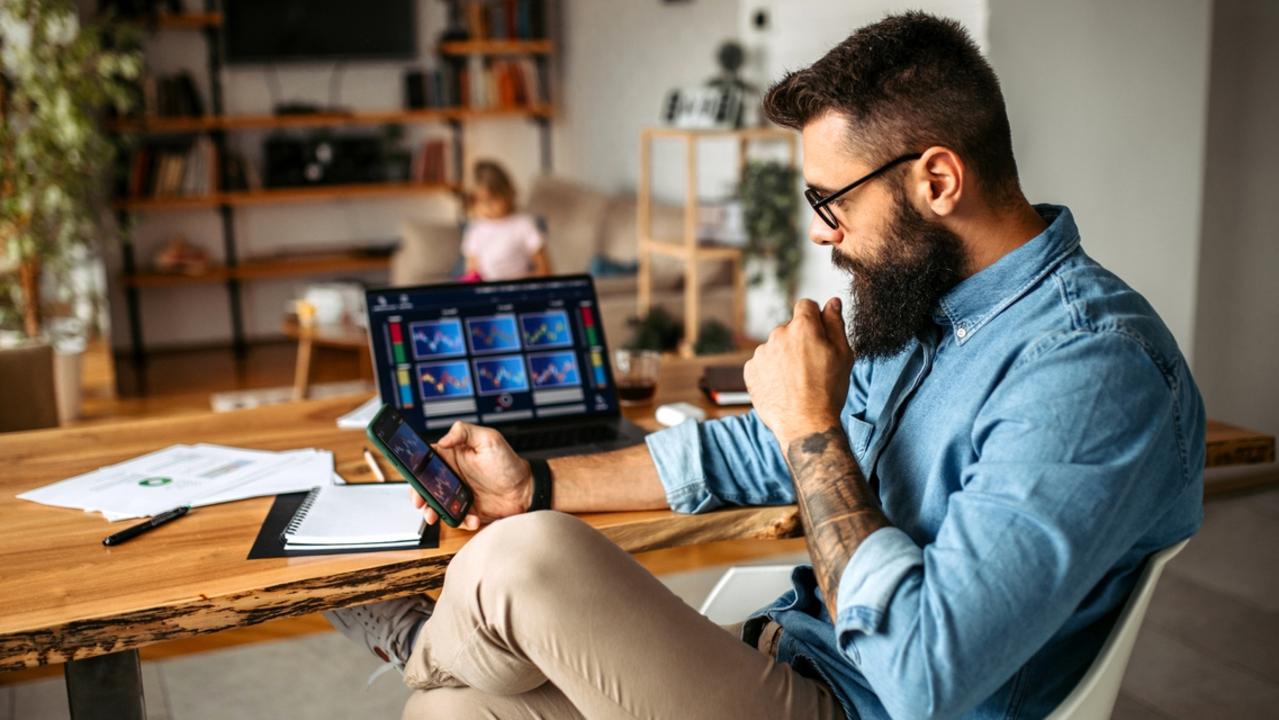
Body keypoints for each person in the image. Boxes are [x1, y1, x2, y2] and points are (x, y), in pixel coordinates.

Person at [326, 12, 1204, 719]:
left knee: (522, 562)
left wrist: (811, 424)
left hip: (872, 701)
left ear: (937, 180)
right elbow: (750, 454)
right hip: (786, 659)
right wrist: (535, 483)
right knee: (461, 709)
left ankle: (418, 646)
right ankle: (444, 657)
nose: (822, 233)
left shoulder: (1087, 371)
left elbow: (919, 676)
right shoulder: (930, 314)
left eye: (832, 200)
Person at [458, 160, 550, 282]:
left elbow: (544, 268)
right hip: (487, 292)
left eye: (492, 200)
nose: (486, 207)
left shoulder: (523, 224)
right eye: (479, 202)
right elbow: (472, 268)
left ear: (507, 193)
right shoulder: (476, 229)